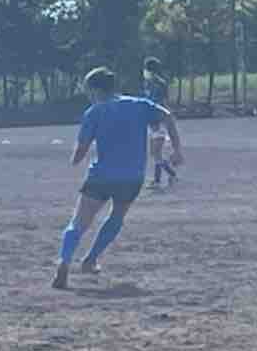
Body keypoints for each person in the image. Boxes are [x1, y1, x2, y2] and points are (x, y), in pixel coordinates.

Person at [52, 67, 183, 290]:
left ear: (95, 90)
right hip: (132, 177)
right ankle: (91, 259)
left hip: (101, 176)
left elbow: (80, 152)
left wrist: (74, 158)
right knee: (117, 216)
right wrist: (177, 150)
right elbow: (167, 116)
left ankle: (64, 262)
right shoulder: (139, 105)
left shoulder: (94, 112)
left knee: (79, 222)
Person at [143, 57, 178, 187]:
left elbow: (160, 104)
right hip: (152, 121)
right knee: (155, 153)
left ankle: (162, 178)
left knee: (155, 153)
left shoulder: (158, 84)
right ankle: (166, 176)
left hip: (158, 121)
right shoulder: (148, 83)